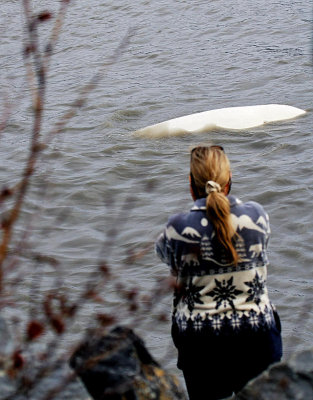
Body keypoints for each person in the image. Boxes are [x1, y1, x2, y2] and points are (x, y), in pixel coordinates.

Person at [155, 145, 282, 400]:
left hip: (201, 347)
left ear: (191, 184)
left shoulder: (177, 227)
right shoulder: (258, 216)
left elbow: (164, 255)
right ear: (229, 180)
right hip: (258, 339)